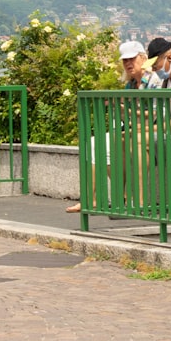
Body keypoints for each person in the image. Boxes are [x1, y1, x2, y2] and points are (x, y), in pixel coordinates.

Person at [66, 40, 152, 213]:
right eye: (125, 60)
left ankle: (122, 196)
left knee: (116, 140)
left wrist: (122, 109)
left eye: (131, 59)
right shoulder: (130, 85)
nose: (128, 64)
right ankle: (91, 199)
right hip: (131, 128)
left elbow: (153, 114)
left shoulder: (152, 81)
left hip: (146, 130)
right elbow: (128, 114)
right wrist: (118, 108)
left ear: (143, 58)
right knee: (93, 142)